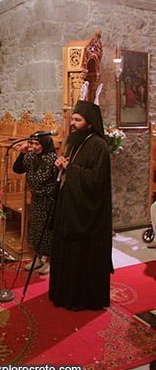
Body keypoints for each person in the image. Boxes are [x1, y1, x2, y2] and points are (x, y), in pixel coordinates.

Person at [49, 99, 113, 311]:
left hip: (86, 216)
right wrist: (60, 165)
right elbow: (68, 170)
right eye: (73, 119)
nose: (73, 123)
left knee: (81, 256)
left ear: (90, 123)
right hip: (69, 208)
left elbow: (96, 181)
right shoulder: (75, 142)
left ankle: (82, 299)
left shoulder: (99, 146)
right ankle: (63, 294)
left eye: (78, 119)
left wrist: (71, 169)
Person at [13, 132, 58, 275]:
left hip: (49, 199)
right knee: (35, 229)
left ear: (44, 144)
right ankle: (37, 258)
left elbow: (41, 179)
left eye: (36, 144)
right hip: (36, 199)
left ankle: (50, 261)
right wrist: (22, 154)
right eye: (31, 143)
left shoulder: (52, 158)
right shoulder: (30, 156)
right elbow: (17, 169)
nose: (33, 146)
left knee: (48, 231)